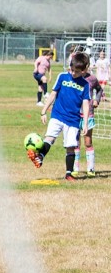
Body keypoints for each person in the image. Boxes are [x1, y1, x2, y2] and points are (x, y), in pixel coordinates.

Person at [31, 52, 91, 181]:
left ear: (84, 70)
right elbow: (53, 94)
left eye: (76, 71)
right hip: (57, 115)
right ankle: (39, 157)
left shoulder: (85, 85)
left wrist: (85, 123)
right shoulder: (63, 77)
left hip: (73, 120)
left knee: (70, 146)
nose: (73, 73)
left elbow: (86, 104)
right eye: (72, 69)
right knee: (49, 138)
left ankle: (69, 174)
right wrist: (44, 111)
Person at [74, 58, 103, 178]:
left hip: (88, 114)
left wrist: (96, 99)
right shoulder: (73, 78)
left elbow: (99, 89)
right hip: (74, 113)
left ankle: (90, 168)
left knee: (88, 141)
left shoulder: (92, 79)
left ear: (86, 67)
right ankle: (74, 168)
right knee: (75, 142)